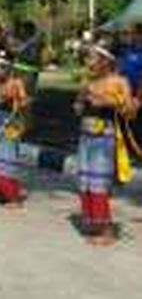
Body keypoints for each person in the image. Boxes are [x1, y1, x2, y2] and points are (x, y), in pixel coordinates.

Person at [73, 42, 138, 246]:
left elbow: (130, 111)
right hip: (85, 136)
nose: (88, 62)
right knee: (85, 180)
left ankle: (106, 229)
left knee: (99, 183)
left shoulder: (119, 82)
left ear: (105, 61)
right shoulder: (87, 82)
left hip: (104, 137)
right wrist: (80, 103)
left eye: (92, 58)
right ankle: (93, 222)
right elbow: (77, 107)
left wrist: (110, 102)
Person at [0, 51, 29, 207]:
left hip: (9, 124)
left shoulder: (16, 83)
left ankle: (12, 196)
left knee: (8, 157)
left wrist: (15, 100)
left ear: (8, 69)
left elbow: (24, 101)